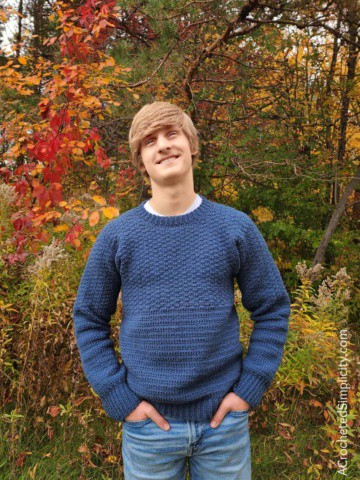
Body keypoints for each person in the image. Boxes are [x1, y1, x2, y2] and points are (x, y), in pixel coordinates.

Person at [72, 101, 291, 479]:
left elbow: (272, 308)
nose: (163, 145)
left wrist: (249, 388)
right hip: (147, 427)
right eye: (149, 140)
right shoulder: (118, 236)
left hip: (224, 424)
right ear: (141, 160)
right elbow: (89, 318)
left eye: (172, 134)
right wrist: (118, 397)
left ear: (191, 144)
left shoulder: (234, 228)